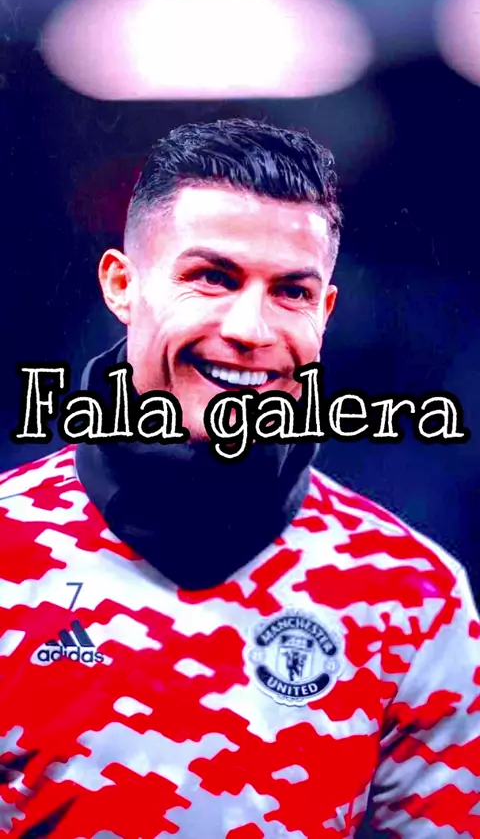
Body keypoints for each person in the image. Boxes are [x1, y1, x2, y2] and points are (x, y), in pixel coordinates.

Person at [0, 118, 478, 839]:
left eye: (292, 292)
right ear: (122, 285)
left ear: (325, 313)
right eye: (212, 278)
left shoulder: (413, 596)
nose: (250, 329)